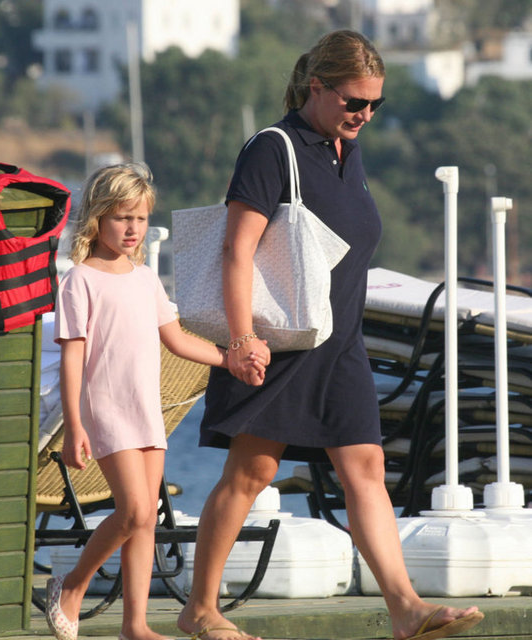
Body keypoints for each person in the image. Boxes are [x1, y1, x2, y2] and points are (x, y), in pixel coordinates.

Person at [177, 30, 484, 640]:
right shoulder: (273, 149)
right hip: (279, 343)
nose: (364, 114)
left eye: (375, 104)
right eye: (354, 101)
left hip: (340, 344)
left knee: (366, 465)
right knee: (252, 472)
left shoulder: (348, 150)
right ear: (316, 87)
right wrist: (240, 340)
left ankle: (406, 608)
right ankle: (200, 609)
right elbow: (237, 251)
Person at [46, 163, 265, 640]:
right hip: (106, 410)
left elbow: (177, 340)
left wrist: (230, 360)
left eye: (140, 218)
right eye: (122, 217)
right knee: (133, 511)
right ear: (98, 218)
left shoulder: (146, 278)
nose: (132, 228)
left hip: (146, 410)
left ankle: (135, 626)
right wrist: (75, 425)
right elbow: (72, 359)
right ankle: (73, 586)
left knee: (146, 520)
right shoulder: (80, 280)